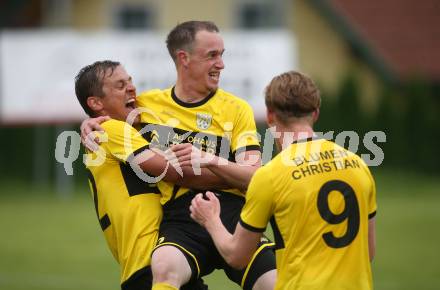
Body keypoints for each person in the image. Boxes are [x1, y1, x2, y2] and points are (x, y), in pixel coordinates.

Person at [81, 21, 277, 290]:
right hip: (183, 216)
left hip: (233, 212)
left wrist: (210, 160)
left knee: (274, 283)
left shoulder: (236, 109)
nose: (221, 64)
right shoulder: (145, 106)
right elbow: (111, 113)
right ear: (183, 58)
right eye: (212, 55)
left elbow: (254, 176)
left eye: (222, 54)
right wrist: (91, 121)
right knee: (164, 267)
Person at [189, 71, 377, 290]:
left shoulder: (270, 176)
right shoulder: (358, 165)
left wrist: (210, 219)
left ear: (270, 115)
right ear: (315, 113)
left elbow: (236, 256)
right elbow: (368, 252)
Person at [75, 60, 224, 290]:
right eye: (120, 85)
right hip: (148, 263)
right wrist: (235, 177)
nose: (132, 88)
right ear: (96, 102)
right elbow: (171, 171)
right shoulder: (110, 129)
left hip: (167, 255)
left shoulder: (130, 129)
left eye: (130, 81)